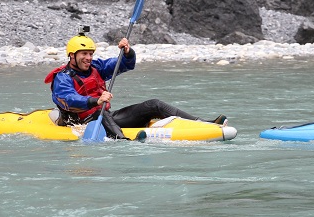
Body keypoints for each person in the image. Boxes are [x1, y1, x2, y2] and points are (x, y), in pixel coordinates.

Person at [44, 30, 228, 140]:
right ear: (72, 55)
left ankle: (203, 123)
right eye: (83, 54)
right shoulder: (63, 77)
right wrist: (96, 101)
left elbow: (124, 65)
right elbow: (68, 99)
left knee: (154, 104)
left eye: (90, 53)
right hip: (82, 122)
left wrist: (127, 52)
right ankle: (125, 143)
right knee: (100, 111)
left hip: (106, 117)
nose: (88, 58)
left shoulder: (96, 67)